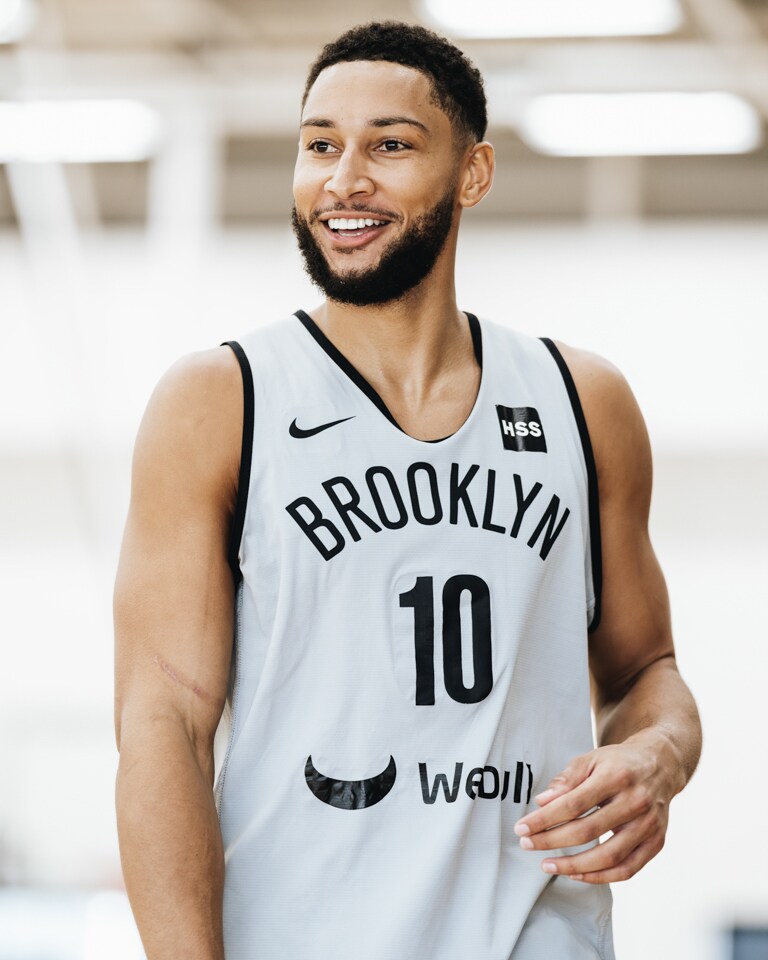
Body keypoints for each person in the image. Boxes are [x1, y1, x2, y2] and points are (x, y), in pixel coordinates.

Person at [114, 19, 702, 960]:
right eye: (319, 146)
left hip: (539, 935)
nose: (344, 179)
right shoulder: (221, 401)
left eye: (389, 144)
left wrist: (654, 757)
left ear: (473, 174)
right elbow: (163, 730)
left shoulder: (582, 401)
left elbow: (646, 675)